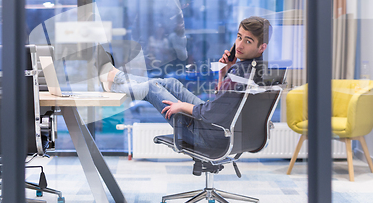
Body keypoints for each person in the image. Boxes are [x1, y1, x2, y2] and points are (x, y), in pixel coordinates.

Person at [98, 16, 272, 149]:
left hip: (210, 136)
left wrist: (182, 107)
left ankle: (115, 79)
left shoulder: (241, 74)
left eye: (248, 41)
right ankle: (115, 80)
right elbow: (223, 103)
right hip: (220, 129)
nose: (239, 45)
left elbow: (211, 112)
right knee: (172, 83)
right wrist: (223, 71)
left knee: (152, 88)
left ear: (261, 47)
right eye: (239, 37)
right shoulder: (254, 69)